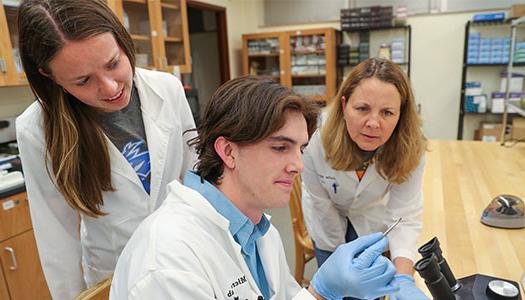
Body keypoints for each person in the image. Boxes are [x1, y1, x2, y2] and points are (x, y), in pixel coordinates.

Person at [110, 76, 400, 300]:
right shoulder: (168, 258)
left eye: (301, 149)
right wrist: (320, 292)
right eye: (279, 147)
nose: (298, 165)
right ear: (228, 151)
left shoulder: (260, 232)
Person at [16, 0, 196, 298]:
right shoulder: (37, 130)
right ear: (50, 77)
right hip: (115, 277)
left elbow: (196, 178)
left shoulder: (167, 88)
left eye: (113, 63)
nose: (111, 88)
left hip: (187, 258)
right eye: (83, 80)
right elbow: (56, 237)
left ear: (123, 42)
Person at [301, 58, 428, 300]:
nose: (373, 123)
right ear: (344, 105)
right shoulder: (314, 137)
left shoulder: (411, 146)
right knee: (335, 290)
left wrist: (403, 277)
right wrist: (338, 262)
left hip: (371, 217)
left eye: (387, 112)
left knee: (372, 292)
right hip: (327, 217)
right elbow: (321, 202)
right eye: (362, 109)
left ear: (400, 115)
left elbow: (405, 214)